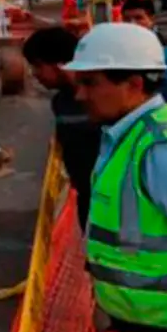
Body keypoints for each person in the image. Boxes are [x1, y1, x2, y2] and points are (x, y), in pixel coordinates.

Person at [63, 22, 167, 332]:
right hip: (144, 325)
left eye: (91, 83)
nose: (80, 95)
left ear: (133, 84)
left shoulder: (159, 146)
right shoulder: (127, 133)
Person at [22, 27, 100, 229]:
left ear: (59, 65)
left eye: (38, 66)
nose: (34, 74)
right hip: (85, 198)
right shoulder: (60, 102)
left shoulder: (104, 101)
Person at [120, 0, 167, 103]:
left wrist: (144, 101)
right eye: (127, 19)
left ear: (151, 19)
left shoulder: (161, 47)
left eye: (139, 18)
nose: (132, 23)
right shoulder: (129, 42)